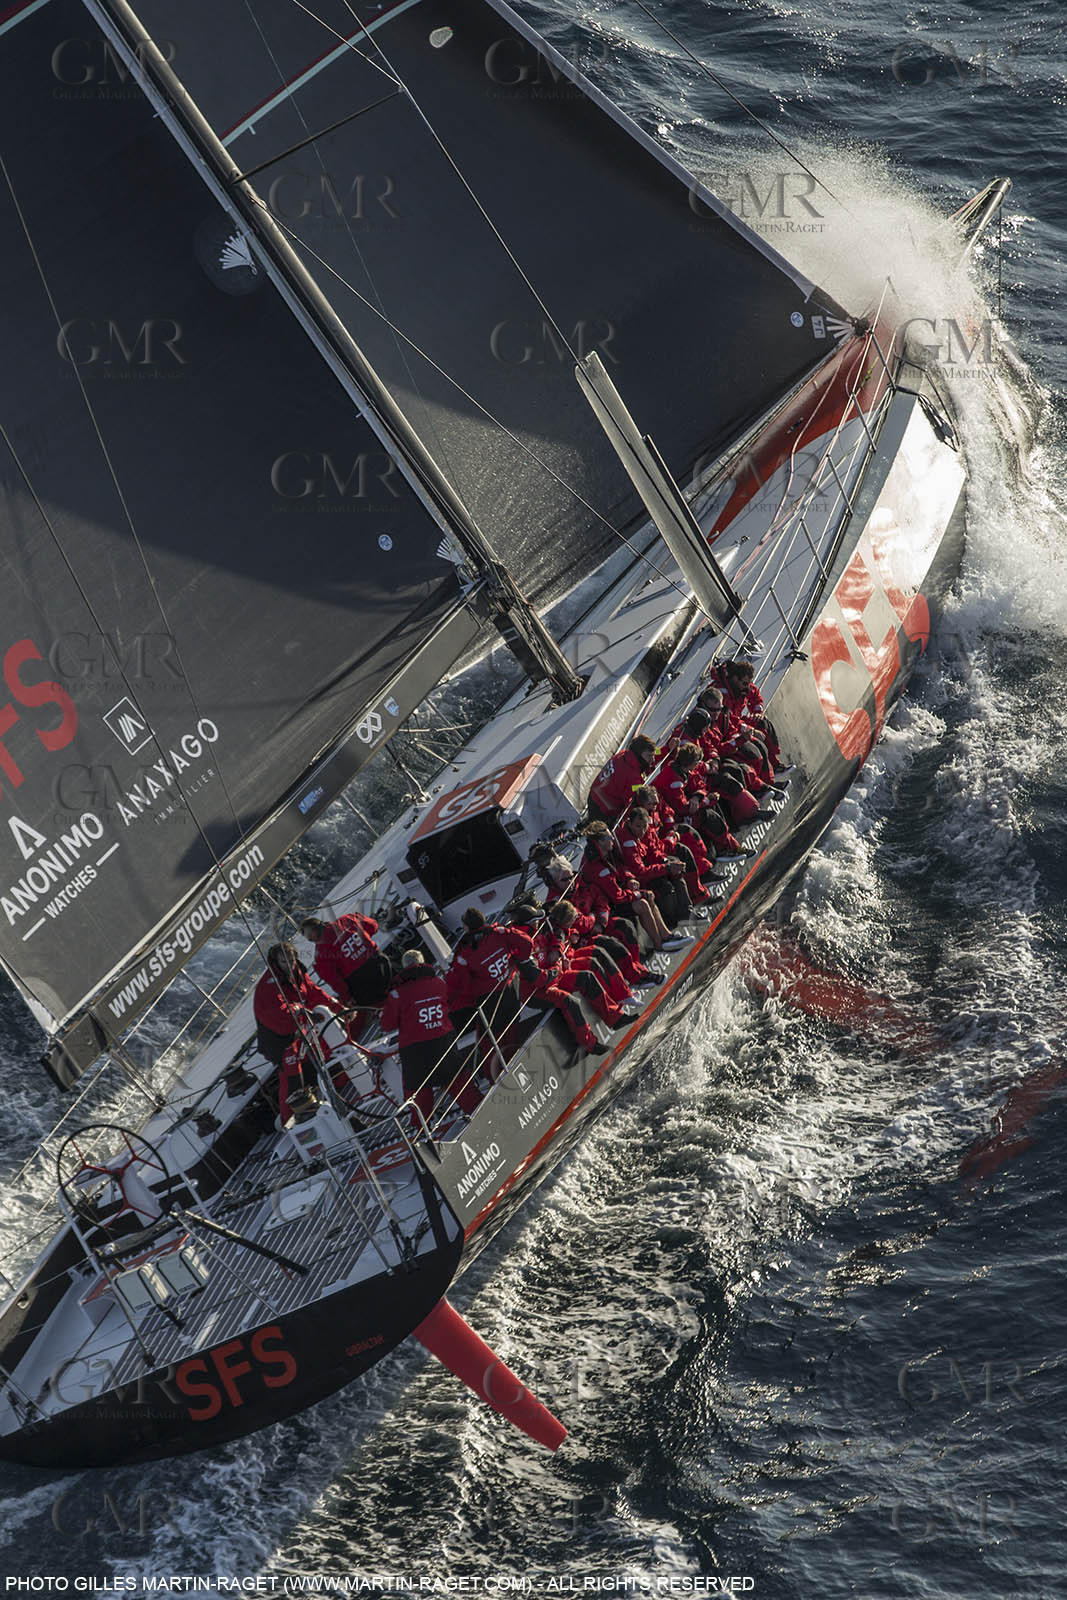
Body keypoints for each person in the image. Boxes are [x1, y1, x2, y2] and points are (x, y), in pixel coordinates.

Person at [379, 949, 478, 1121]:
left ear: (404, 968)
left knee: (418, 1095)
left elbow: (387, 1025)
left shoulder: (397, 994)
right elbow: (449, 999)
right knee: (459, 1085)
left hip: (415, 1052)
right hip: (443, 1042)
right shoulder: (438, 983)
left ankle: (421, 1135)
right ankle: (482, 1114)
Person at [446, 907, 541, 1072]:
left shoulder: (465, 954)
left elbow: (461, 985)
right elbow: (526, 942)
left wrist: (476, 992)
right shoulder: (499, 932)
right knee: (511, 1032)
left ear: (466, 928)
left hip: (490, 1001)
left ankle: (498, 1078)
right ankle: (518, 1067)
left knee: (487, 1043)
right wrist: (517, 960)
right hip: (512, 989)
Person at [579, 821, 692, 953]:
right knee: (642, 904)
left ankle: (666, 935)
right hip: (609, 905)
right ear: (600, 842)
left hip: (616, 895)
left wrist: (629, 878)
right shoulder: (596, 867)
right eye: (609, 838)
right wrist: (638, 894)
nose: (612, 840)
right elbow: (616, 896)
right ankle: (659, 944)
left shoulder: (607, 853)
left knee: (648, 896)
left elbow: (621, 868)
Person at [253, 942, 342, 1067]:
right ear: (276, 962)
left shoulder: (297, 972)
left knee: (326, 1049)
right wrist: (301, 1009)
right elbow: (282, 1012)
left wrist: (338, 1008)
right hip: (279, 1039)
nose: (289, 965)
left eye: (292, 960)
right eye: (284, 962)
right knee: (294, 1075)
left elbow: (313, 992)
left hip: (299, 1030)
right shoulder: (269, 986)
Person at [617, 805, 694, 925]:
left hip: (648, 868)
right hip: (638, 879)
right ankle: (673, 920)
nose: (641, 831)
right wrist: (666, 868)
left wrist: (665, 862)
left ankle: (687, 910)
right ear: (630, 823)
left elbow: (653, 851)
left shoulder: (644, 831)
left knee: (676, 863)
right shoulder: (628, 843)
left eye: (644, 827)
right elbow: (640, 873)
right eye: (638, 827)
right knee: (664, 885)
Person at [300, 911, 392, 1010]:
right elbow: (372, 926)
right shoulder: (348, 919)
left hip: (363, 984)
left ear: (313, 934)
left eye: (309, 937)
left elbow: (334, 980)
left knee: (374, 1006)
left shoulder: (321, 956)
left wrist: (346, 998)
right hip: (382, 965)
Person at [587, 733, 660, 821]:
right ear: (639, 755)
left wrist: (667, 749)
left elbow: (652, 757)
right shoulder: (633, 778)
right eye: (649, 756)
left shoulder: (624, 754)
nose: (653, 759)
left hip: (593, 796)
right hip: (603, 810)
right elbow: (630, 803)